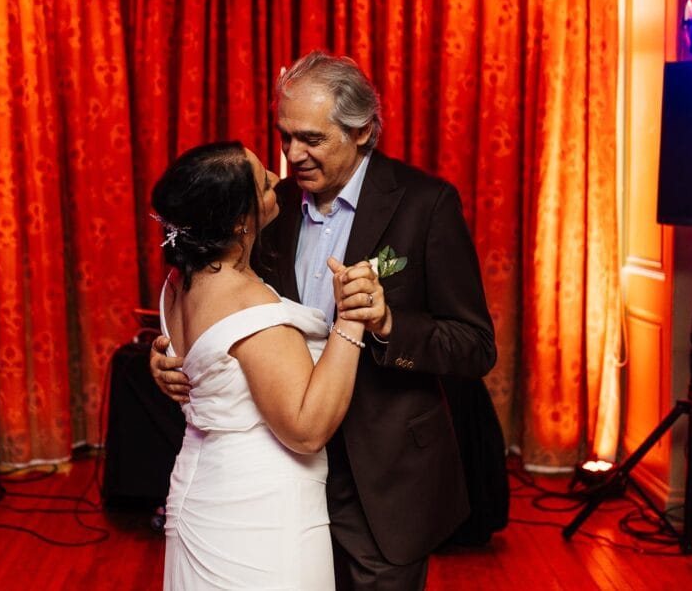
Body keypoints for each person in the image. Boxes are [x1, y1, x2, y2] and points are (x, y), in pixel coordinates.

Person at [152, 50, 497, 590]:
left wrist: (386, 324)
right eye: (285, 136)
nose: (292, 155)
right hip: (279, 481)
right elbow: (226, 304)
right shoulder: (266, 205)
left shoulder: (425, 204)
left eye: (311, 139)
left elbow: (475, 346)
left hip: (382, 486)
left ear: (362, 132)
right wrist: (179, 358)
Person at [152, 140, 380, 589]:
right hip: (262, 514)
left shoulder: (179, 280)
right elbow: (306, 428)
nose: (279, 179)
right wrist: (352, 317)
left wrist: (157, 362)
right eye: (263, 182)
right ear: (240, 222)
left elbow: (203, 357)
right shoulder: (246, 302)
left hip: (203, 493)